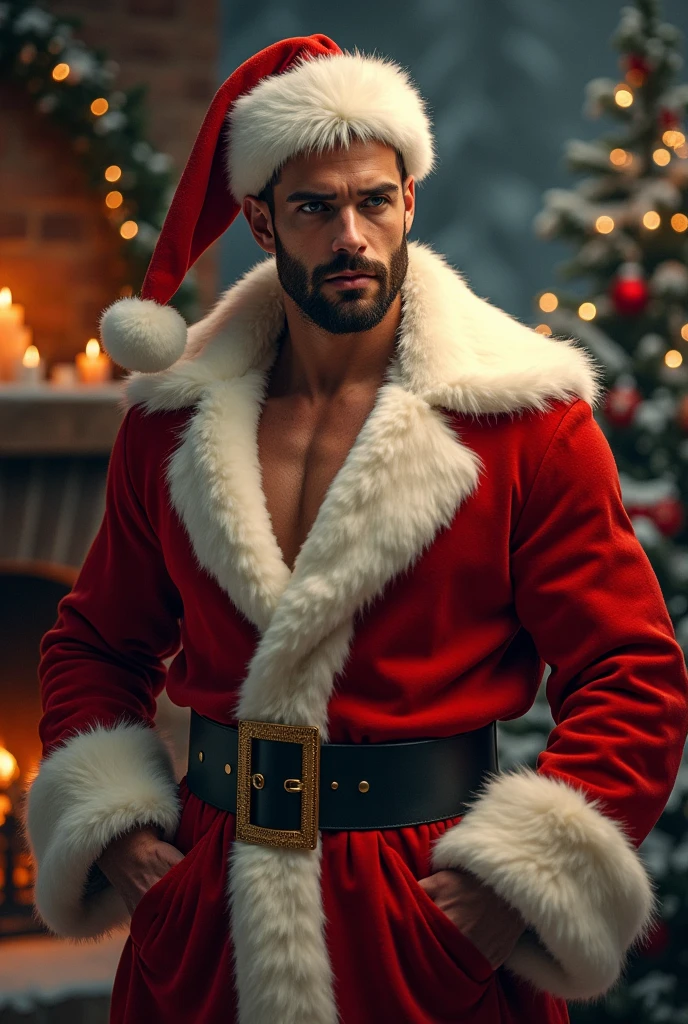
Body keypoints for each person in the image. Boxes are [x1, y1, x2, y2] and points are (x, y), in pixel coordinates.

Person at [21, 34, 688, 1024]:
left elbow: (631, 676)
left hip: (426, 917)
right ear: (259, 220)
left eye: (374, 199)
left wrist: (507, 890)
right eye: (315, 207)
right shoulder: (172, 423)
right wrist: (120, 834)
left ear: (408, 200)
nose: (351, 236)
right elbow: (93, 644)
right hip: (207, 913)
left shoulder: (523, 421)